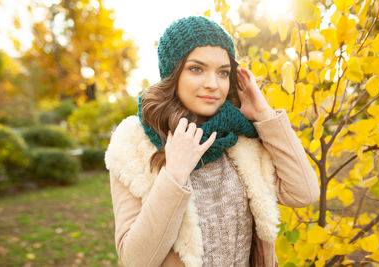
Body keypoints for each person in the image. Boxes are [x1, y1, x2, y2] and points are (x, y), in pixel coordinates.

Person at [105, 16, 320, 267]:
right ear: (172, 73)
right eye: (196, 68)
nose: (212, 84)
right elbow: (135, 260)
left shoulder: (240, 135)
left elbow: (304, 192)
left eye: (223, 73)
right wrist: (175, 174)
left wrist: (263, 114)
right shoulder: (134, 142)